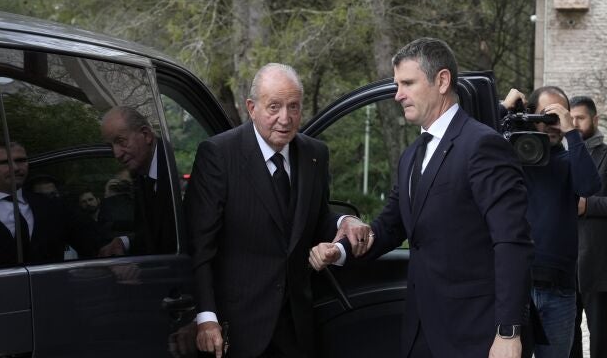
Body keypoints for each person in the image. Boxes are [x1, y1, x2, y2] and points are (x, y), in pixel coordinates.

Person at [309, 37, 534, 358]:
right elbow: (389, 226)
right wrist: (340, 251)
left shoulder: (483, 146)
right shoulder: (412, 155)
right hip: (421, 331)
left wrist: (509, 332)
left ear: (442, 81)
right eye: (397, 84)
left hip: (478, 335)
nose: (397, 94)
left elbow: (513, 242)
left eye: (407, 83)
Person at [184, 63, 340, 358]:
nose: (285, 118)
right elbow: (201, 246)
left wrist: (346, 223)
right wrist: (206, 317)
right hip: (238, 329)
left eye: (293, 106)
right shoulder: (219, 155)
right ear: (251, 108)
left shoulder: (315, 154)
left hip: (297, 329)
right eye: (274, 107)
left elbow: (317, 220)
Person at [500, 87, 601, 358]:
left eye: (560, 115)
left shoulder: (570, 159)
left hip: (560, 290)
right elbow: (474, 144)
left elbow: (589, 186)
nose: (553, 123)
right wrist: (503, 110)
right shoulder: (508, 156)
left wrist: (572, 133)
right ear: (530, 115)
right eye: (546, 116)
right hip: (516, 287)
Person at [0, 139, 100, 271]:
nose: (15, 168)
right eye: (3, 162)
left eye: (21, 160)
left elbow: (98, 245)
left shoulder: (54, 207)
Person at [100, 106, 176, 255]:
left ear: (146, 134)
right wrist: (124, 243)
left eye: (121, 141)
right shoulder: (141, 176)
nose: (117, 154)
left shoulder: (174, 166)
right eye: (111, 146)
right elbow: (153, 235)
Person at [569, 95, 607, 358]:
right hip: (567, 267)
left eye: (580, 118)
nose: (574, 124)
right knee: (568, 342)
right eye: (570, 119)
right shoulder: (561, 156)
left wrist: (587, 206)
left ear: (595, 119)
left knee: (601, 341)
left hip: (599, 266)